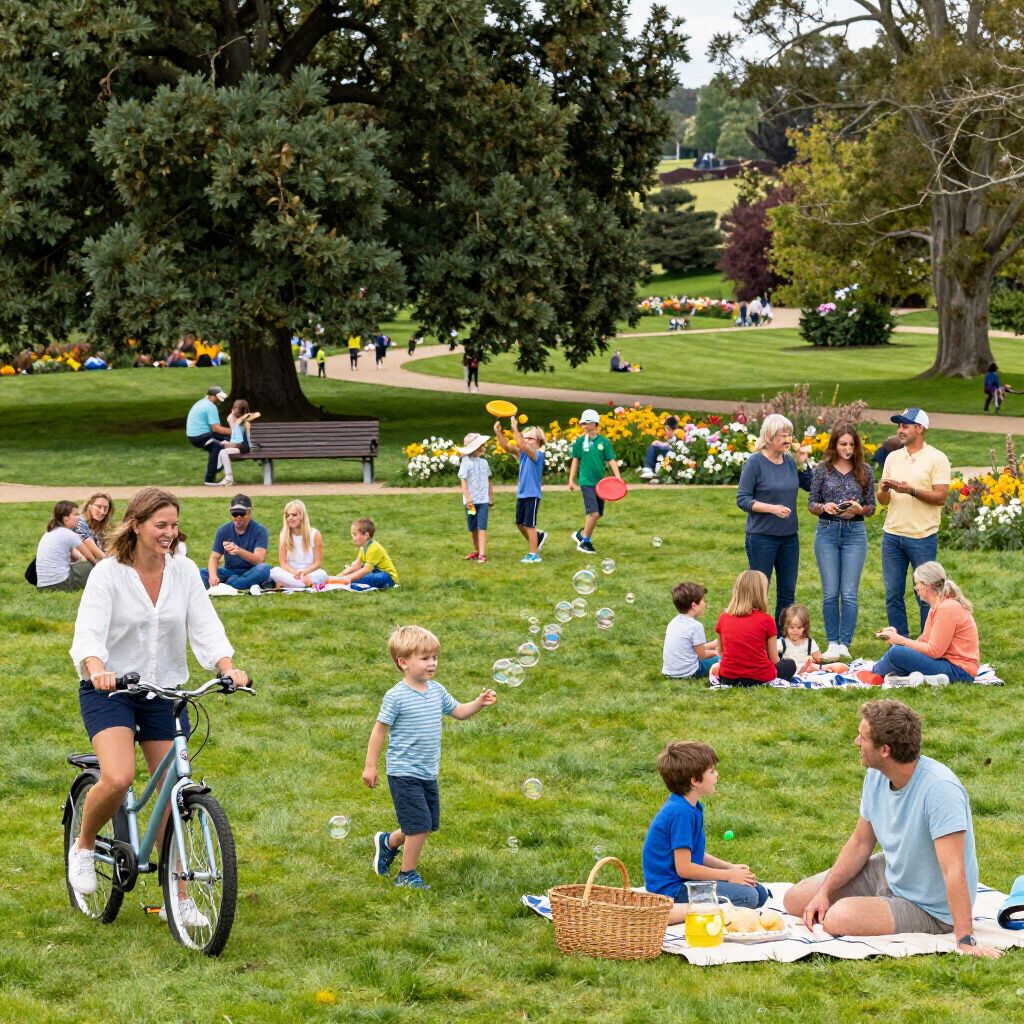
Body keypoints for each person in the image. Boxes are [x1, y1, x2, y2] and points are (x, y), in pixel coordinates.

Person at [66, 487, 249, 925]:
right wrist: (97, 667)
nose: (169, 532)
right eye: (160, 525)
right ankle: (84, 846)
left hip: (163, 692)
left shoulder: (183, 570)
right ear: (136, 524)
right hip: (110, 690)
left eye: (174, 525)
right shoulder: (108, 574)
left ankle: (178, 898)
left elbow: (205, 625)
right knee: (118, 777)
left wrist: (227, 666)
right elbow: (89, 631)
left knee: (173, 791)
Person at [783, 700, 1000, 958]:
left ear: (884, 750)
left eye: (862, 737)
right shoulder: (876, 774)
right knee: (795, 899)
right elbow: (861, 842)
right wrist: (824, 892)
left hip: (929, 908)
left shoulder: (940, 789)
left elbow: (953, 869)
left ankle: (876, 907)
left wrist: (965, 939)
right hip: (891, 873)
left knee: (837, 918)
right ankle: (871, 902)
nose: (856, 742)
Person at [363, 625, 496, 889]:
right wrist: (370, 766)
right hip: (403, 772)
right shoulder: (396, 696)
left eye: (434, 657)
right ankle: (407, 875)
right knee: (419, 825)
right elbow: (379, 730)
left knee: (427, 824)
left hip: (427, 771)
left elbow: (459, 711)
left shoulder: (436, 690)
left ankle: (388, 842)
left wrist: (478, 703)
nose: (432, 663)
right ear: (403, 662)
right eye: (424, 658)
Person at [642, 741, 769, 925]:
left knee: (760, 893)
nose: (717, 775)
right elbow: (685, 868)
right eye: (711, 771)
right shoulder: (681, 813)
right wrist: (728, 876)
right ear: (694, 781)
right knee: (749, 896)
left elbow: (695, 855)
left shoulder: (691, 807)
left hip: (685, 881)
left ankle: (713, 905)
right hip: (671, 891)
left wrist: (730, 868)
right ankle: (678, 911)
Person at [878, 408, 951, 636]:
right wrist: (884, 490)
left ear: (920, 428)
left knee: (926, 595)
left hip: (922, 537)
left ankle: (927, 641)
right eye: (899, 426)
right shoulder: (893, 457)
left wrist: (910, 490)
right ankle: (900, 641)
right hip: (892, 536)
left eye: (905, 426)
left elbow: (941, 497)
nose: (900, 430)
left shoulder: (937, 458)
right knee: (893, 594)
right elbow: (882, 500)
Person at [736, 413, 812, 628]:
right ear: (769, 437)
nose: (788, 440)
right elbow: (743, 499)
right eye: (783, 435)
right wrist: (772, 509)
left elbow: (809, 485)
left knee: (787, 593)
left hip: (789, 538)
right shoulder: (755, 463)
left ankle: (779, 639)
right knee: (759, 592)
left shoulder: (789, 461)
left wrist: (803, 463)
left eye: (790, 435)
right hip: (762, 538)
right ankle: (756, 634)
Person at [809, 424, 876, 660]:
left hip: (854, 533)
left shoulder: (865, 471)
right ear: (834, 445)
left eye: (851, 444)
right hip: (827, 532)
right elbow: (812, 504)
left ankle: (844, 643)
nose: (847, 448)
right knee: (830, 592)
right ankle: (832, 642)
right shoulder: (822, 470)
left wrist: (860, 509)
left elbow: (871, 507)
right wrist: (824, 507)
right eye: (843, 444)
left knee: (848, 593)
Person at [869, 562, 980, 685]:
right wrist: (895, 638)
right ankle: (912, 677)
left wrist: (900, 640)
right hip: (948, 664)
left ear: (927, 586)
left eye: (917, 583)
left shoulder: (947, 608)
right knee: (900, 652)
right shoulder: (937, 606)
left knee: (896, 653)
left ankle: (874, 673)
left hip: (960, 671)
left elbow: (934, 652)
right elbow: (923, 642)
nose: (915, 587)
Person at [715, 569, 797, 686]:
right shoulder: (767, 620)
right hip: (759, 677)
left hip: (728, 676)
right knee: (789, 664)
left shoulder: (723, 618)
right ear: (761, 593)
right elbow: (774, 659)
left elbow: (721, 650)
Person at [568, 408, 622, 555]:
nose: (584, 425)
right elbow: (575, 461)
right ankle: (585, 542)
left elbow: (611, 460)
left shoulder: (604, 442)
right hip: (586, 482)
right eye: (583, 423)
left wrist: (618, 478)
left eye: (587, 423)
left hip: (601, 484)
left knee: (598, 513)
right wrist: (571, 480)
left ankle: (581, 535)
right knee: (594, 513)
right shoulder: (579, 442)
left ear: (595, 423)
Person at [493, 419, 547, 563]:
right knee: (519, 524)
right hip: (522, 495)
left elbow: (521, 444)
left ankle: (534, 554)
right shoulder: (522, 454)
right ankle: (538, 538)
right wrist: (498, 432)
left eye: (531, 438)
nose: (526, 441)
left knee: (529, 525)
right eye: (525, 437)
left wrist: (515, 429)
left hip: (532, 495)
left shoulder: (537, 455)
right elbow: (506, 446)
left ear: (539, 443)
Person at [200, 494, 272, 592]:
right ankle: (236, 584)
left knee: (265, 569)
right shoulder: (223, 530)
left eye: (242, 513)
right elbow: (214, 557)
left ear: (249, 511)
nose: (238, 517)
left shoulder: (260, 531)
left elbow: (259, 560)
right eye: (235, 513)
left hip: (252, 570)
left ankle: (229, 585)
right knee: (202, 573)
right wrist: (212, 576)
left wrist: (239, 551)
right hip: (229, 571)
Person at [36, 501, 104, 591]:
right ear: (66, 518)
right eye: (76, 514)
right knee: (91, 565)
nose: (79, 518)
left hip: (43, 586)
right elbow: (91, 558)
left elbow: (76, 556)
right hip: (60, 583)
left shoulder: (49, 532)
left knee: (81, 565)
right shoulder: (69, 534)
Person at [662, 582, 720, 679]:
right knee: (723, 659)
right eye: (703, 600)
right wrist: (716, 652)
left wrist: (712, 644)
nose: (705, 603)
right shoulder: (695, 626)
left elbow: (689, 647)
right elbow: (702, 655)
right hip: (689, 672)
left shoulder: (673, 622)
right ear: (694, 605)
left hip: (669, 672)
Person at [269, 500, 327, 590]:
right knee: (273, 572)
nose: (290, 518)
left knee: (322, 574)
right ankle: (305, 584)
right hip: (291, 572)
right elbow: (283, 563)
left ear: (302, 515)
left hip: (310, 572)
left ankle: (291, 584)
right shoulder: (283, 535)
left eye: (294, 515)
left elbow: (318, 563)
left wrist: (304, 573)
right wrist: (296, 573)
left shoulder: (315, 534)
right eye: (287, 515)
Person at [329, 517, 399, 590]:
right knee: (355, 574)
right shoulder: (363, 548)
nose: (352, 537)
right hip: (374, 573)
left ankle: (346, 584)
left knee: (363, 577)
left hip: (387, 577)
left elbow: (366, 570)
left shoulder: (374, 547)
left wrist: (345, 579)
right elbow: (356, 566)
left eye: (355, 534)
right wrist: (337, 577)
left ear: (366, 535)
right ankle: (345, 583)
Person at [458, 432, 493, 563]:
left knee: (482, 526)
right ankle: (477, 551)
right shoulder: (466, 462)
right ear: (473, 448)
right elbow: (463, 481)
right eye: (480, 446)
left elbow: (489, 480)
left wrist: (490, 497)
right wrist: (468, 498)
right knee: (473, 527)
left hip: (483, 501)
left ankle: (482, 554)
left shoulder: (484, 462)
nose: (483, 448)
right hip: (471, 503)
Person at [185, 386, 231, 485]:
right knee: (218, 446)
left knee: (226, 440)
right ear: (211, 396)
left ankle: (220, 466)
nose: (218, 401)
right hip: (200, 437)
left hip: (194, 435)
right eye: (217, 399)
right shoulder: (210, 406)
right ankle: (209, 479)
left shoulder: (201, 402)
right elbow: (216, 428)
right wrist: (235, 431)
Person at [216, 399, 259, 486]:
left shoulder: (244, 422)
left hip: (243, 447)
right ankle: (228, 477)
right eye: (233, 407)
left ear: (241, 409)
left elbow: (257, 414)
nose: (233, 409)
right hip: (238, 446)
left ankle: (229, 478)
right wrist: (229, 444)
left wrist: (243, 417)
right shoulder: (234, 420)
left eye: (235, 407)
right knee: (222, 451)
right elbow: (234, 436)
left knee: (223, 452)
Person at [640, 415, 679, 482]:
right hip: (663, 459)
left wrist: (661, 444)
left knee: (657, 447)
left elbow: (674, 447)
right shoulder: (667, 439)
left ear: (673, 430)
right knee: (652, 447)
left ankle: (654, 473)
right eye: (666, 429)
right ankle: (648, 469)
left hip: (671, 460)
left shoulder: (678, 437)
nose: (666, 431)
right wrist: (658, 443)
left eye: (668, 429)